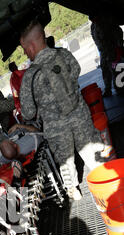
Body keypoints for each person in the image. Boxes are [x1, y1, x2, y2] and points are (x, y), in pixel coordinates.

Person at [19, 21, 108, 201]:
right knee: (92, 150)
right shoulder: (64, 54)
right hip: (80, 115)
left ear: (31, 46)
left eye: (24, 48)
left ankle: (74, 191)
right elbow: (76, 71)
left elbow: (28, 113)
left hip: (56, 129)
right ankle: (107, 184)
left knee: (65, 160)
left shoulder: (30, 77)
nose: (25, 53)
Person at [90, 13, 124, 97]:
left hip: (112, 50)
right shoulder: (93, 26)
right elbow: (94, 37)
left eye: (94, 19)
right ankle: (108, 89)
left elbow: (118, 31)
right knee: (105, 70)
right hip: (103, 52)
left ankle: (120, 88)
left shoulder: (107, 21)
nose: (93, 21)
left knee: (116, 69)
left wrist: (119, 46)